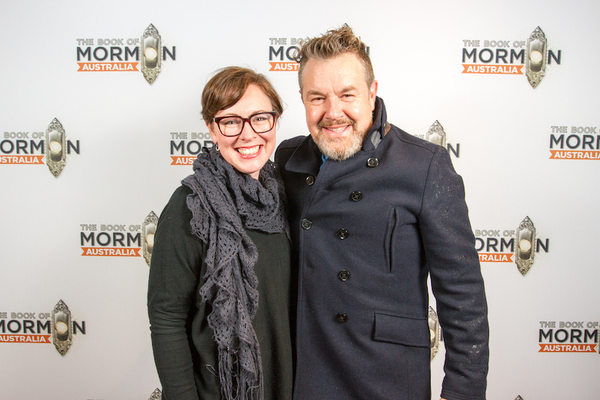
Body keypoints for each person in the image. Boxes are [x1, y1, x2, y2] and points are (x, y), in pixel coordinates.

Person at [275, 26, 489, 400]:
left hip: (386, 377)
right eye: (317, 98)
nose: (332, 112)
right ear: (302, 100)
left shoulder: (424, 165)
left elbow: (463, 298)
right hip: (305, 376)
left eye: (347, 95)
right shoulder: (288, 160)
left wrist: (463, 394)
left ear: (372, 94)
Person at [148, 66, 294, 400]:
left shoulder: (288, 196)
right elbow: (167, 319)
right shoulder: (190, 206)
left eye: (259, 118)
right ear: (212, 129)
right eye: (230, 121)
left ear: (274, 121)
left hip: (289, 385)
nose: (247, 134)